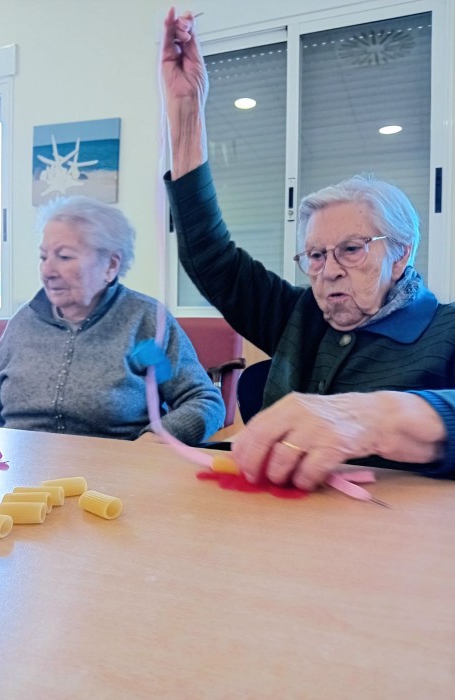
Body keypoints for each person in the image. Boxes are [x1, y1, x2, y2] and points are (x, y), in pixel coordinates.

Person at [160, 8, 455, 486]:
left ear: (400, 253)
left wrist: (373, 418)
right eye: (315, 256)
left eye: (352, 249)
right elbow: (210, 258)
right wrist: (186, 115)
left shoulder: (445, 329)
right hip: (281, 519)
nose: (328, 270)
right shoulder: (299, 315)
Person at [0, 195, 225, 444]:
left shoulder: (144, 320)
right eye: (43, 257)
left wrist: (154, 441)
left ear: (111, 265)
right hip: (18, 467)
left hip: (112, 470)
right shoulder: (23, 323)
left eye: (64, 256)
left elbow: (204, 401)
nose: (47, 271)